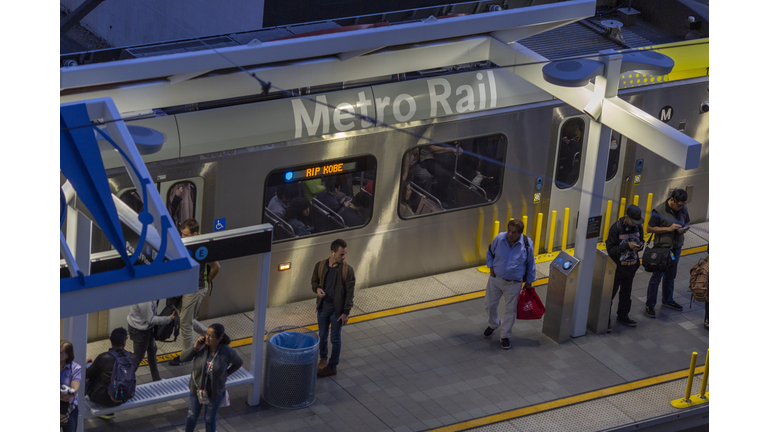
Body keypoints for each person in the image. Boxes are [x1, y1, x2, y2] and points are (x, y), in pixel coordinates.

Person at [170, 219, 221, 366]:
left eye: (185, 235)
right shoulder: (187, 243)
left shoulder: (203, 246)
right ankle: (213, 336)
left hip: (196, 288)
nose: (182, 237)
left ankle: (187, 357)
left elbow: (216, 267)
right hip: (186, 287)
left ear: (195, 234)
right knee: (188, 319)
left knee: (185, 323)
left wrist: (207, 283)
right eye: (181, 234)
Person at [483, 219, 536, 350]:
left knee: (510, 310)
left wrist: (529, 282)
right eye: (509, 231)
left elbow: (531, 264)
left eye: (514, 232)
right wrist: (491, 268)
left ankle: (505, 336)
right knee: (489, 305)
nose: (510, 235)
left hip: (514, 283)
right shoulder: (499, 239)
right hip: (496, 279)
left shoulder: (527, 244)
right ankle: (494, 323)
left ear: (520, 233)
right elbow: (489, 252)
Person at [180, 323, 243, 432]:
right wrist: (194, 348)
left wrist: (225, 374)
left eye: (211, 336)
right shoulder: (201, 346)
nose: (207, 337)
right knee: (192, 416)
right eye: (206, 334)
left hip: (214, 391)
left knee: (209, 419)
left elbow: (238, 363)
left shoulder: (226, 351)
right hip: (197, 389)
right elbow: (182, 358)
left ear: (219, 339)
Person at [312, 239, 356, 377]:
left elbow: (350, 293)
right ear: (332, 252)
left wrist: (345, 313)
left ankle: (332, 366)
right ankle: (323, 360)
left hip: (337, 312)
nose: (344, 257)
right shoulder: (320, 266)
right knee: (322, 336)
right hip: (323, 308)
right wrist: (317, 289)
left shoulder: (347, 270)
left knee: (335, 339)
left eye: (345, 254)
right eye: (341, 254)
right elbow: (314, 282)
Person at [645, 189, 690, 318]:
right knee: (656, 278)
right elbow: (649, 228)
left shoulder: (683, 209)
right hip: (662, 249)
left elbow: (687, 222)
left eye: (683, 205)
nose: (680, 207)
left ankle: (668, 299)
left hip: (676, 248)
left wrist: (683, 229)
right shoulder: (659, 211)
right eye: (679, 205)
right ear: (672, 200)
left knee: (670, 276)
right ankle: (650, 304)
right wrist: (668, 229)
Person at [605, 205, 645, 331]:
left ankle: (623, 315)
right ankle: (605, 319)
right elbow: (611, 250)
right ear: (626, 217)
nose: (634, 224)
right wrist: (627, 245)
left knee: (626, 294)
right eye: (632, 221)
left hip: (631, 267)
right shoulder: (615, 228)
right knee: (610, 294)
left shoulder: (638, 227)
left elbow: (642, 240)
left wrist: (640, 246)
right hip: (617, 268)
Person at [85, 328, 136, 417]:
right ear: (124, 342)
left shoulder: (103, 357)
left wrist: (86, 363)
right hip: (125, 395)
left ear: (110, 339)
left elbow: (87, 374)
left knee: (86, 367)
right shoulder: (132, 357)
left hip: (103, 399)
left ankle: (78, 406)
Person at [127, 300, 177, 379]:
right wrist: (169, 318)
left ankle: (156, 378)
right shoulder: (144, 301)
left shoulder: (148, 295)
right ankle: (125, 381)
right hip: (140, 331)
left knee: (152, 351)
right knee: (138, 358)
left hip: (146, 328)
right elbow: (150, 319)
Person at [60, 340, 82, 432]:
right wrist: (63, 394)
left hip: (69, 408)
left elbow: (73, 392)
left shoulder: (75, 368)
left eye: (60, 353)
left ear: (68, 355)